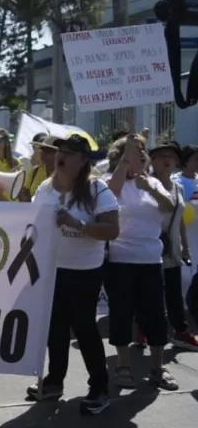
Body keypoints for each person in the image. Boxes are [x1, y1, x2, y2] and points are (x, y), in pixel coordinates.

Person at [27, 134, 120, 415]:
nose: (60, 155)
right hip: (52, 269)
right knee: (54, 329)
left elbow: (112, 230)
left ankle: (100, 387)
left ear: (83, 161)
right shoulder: (45, 187)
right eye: (59, 151)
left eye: (69, 152)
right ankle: (55, 382)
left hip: (84, 272)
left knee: (84, 327)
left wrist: (77, 223)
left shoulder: (97, 189)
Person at [103, 134, 178, 391]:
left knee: (155, 314)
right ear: (124, 156)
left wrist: (151, 188)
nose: (143, 154)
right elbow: (110, 193)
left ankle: (157, 367)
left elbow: (169, 207)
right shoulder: (112, 182)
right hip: (120, 259)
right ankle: (123, 365)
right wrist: (126, 162)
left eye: (144, 150)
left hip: (150, 260)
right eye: (137, 150)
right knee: (122, 313)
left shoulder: (153, 181)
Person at [148, 142, 198, 350]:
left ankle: (180, 331)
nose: (167, 160)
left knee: (174, 293)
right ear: (153, 160)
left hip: (173, 249)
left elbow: (179, 220)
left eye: (171, 156)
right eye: (161, 156)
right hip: (150, 248)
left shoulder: (176, 187)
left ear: (177, 161)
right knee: (151, 292)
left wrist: (185, 246)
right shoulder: (146, 185)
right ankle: (146, 329)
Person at [19, 135, 58, 202]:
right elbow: (24, 191)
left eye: (48, 151)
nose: (42, 153)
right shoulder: (35, 170)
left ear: (57, 154)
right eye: (42, 149)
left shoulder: (63, 174)